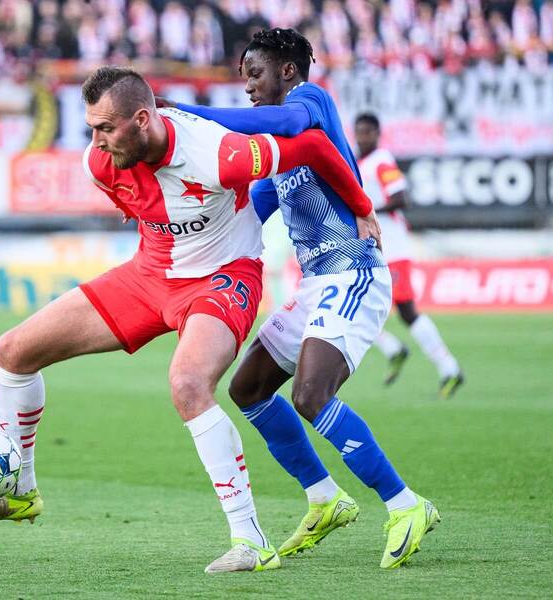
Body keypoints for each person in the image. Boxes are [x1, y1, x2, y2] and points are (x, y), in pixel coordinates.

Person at [0, 66, 379, 574]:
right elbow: (131, 195)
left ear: (143, 119)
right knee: (13, 351)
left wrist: (363, 207)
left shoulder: (220, 152)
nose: (96, 141)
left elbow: (312, 147)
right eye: (91, 128)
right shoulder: (100, 162)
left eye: (105, 128)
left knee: (188, 383)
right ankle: (19, 492)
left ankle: (251, 540)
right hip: (150, 274)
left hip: (223, 277)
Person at [166, 28, 440, 569]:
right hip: (318, 282)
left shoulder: (310, 102)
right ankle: (323, 497)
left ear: (288, 71)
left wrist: (192, 114)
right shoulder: (281, 158)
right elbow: (245, 214)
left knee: (311, 395)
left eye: (255, 74)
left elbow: (286, 122)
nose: (248, 87)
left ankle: (406, 505)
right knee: (248, 388)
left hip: (356, 270)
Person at [354, 112, 465, 395]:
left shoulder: (382, 161)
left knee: (406, 310)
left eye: (368, 132)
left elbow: (401, 197)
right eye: (359, 131)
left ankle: (449, 367)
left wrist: (369, 213)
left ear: (377, 134)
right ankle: (393, 349)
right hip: (373, 248)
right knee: (357, 305)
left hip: (393, 248)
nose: (362, 137)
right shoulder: (359, 163)